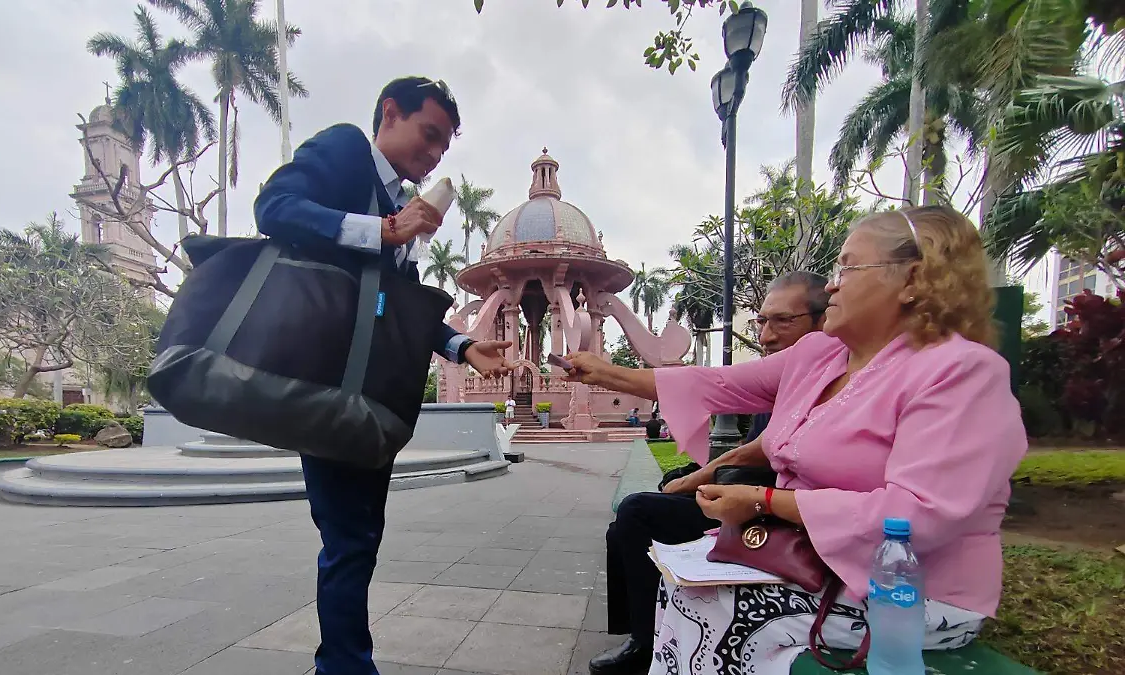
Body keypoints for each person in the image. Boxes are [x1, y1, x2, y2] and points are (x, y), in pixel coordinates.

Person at [567, 206, 1027, 674]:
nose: (832, 284)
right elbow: (720, 384)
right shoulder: (822, 354)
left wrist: (764, 500)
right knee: (677, 576)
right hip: (808, 556)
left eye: (848, 267)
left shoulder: (959, 372)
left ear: (912, 280)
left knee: (723, 612)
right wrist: (606, 373)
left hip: (910, 590)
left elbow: (917, 516)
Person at [253, 76, 515, 675]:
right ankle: (344, 665)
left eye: (443, 148)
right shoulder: (347, 149)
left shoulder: (403, 204)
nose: (432, 155)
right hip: (325, 381)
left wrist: (462, 346)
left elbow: (398, 305)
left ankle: (343, 661)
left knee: (357, 538)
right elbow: (274, 207)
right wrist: (383, 230)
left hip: (365, 393)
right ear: (390, 113)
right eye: (428, 135)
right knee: (349, 537)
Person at [590, 272, 829, 675]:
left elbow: (763, 450)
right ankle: (641, 634)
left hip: (773, 510)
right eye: (761, 322)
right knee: (627, 525)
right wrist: (606, 372)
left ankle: (647, 643)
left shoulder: (832, 370)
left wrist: (705, 478)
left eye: (783, 321)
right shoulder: (793, 370)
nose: (767, 336)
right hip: (749, 493)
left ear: (824, 321)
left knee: (637, 513)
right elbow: (715, 385)